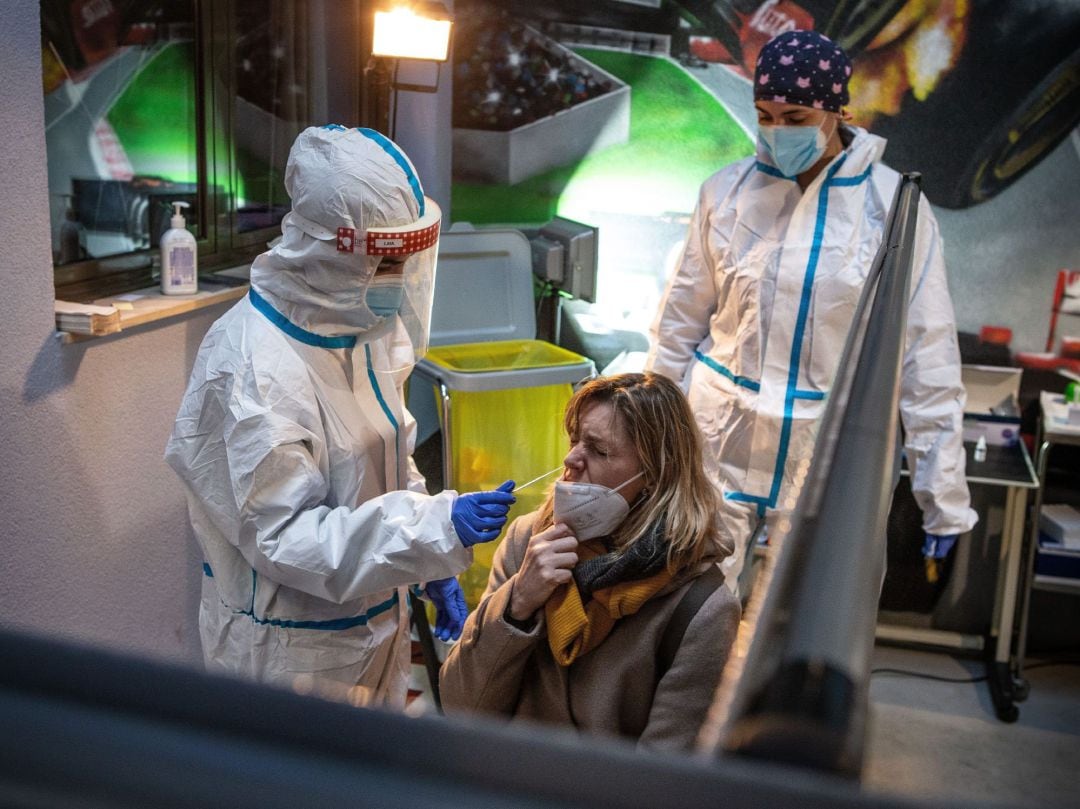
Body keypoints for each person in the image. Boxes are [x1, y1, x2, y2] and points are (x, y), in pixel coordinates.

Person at [164, 125, 516, 708]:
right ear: (331, 253)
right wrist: (431, 531)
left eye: (405, 260)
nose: (397, 280)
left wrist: (428, 558)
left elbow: (391, 455)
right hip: (291, 655)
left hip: (375, 625)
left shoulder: (362, 330)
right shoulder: (252, 367)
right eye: (384, 263)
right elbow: (284, 537)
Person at [645, 29, 977, 592]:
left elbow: (928, 358)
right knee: (691, 613)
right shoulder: (725, 193)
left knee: (795, 626)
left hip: (823, 455)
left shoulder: (894, 208)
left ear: (837, 110)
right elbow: (678, 325)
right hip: (718, 441)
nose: (777, 131)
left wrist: (941, 495)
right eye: (765, 114)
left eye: (795, 117)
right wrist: (648, 441)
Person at [440, 372, 740, 752]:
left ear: (657, 474)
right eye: (575, 439)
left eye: (599, 451)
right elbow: (461, 706)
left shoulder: (701, 610)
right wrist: (517, 605)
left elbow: (665, 778)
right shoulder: (528, 542)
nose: (570, 459)